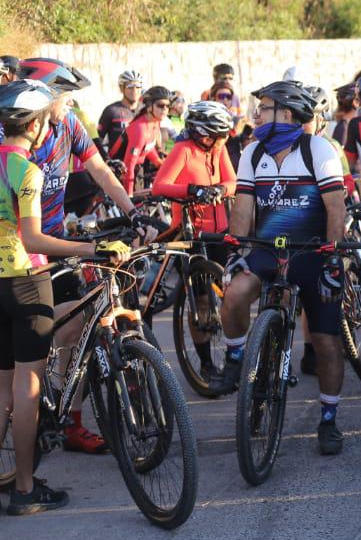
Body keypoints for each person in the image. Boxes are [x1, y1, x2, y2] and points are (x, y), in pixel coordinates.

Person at [0, 80, 129, 515]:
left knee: (1, 391)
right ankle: (23, 489)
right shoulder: (27, 171)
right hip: (25, 280)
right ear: (36, 126)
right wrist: (92, 250)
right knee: (27, 388)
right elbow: (35, 237)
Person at [209, 81, 351, 455]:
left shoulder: (318, 148)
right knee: (235, 293)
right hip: (267, 250)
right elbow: (243, 207)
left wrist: (333, 257)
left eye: (264, 107)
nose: (256, 114)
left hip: (312, 252)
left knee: (326, 341)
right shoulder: (252, 152)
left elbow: (336, 209)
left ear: (285, 114)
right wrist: (236, 249)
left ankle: (328, 418)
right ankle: (237, 357)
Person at [18, 58, 136, 454]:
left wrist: (132, 211)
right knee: (37, 337)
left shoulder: (67, 125)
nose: (70, 104)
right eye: (65, 96)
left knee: (81, 324)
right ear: (43, 95)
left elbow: (99, 169)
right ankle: (33, 405)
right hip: (25, 250)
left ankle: (70, 418)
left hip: (56, 242)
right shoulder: (16, 136)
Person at [151, 101, 236, 381]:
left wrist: (220, 188)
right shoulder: (183, 149)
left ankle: (236, 357)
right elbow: (160, 186)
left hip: (219, 231)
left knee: (230, 294)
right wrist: (194, 190)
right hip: (190, 232)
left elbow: (233, 181)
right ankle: (205, 363)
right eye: (215, 135)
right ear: (201, 132)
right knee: (199, 301)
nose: (219, 141)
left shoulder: (219, 147)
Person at [114, 86, 172, 194]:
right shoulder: (140, 129)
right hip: (121, 172)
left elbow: (147, 147)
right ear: (149, 107)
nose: (165, 109)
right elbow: (128, 166)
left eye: (168, 106)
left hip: (136, 170)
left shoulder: (155, 121)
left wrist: (158, 162)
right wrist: (129, 197)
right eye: (160, 105)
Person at [96, 69, 144, 154]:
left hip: (140, 164)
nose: (135, 91)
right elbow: (97, 141)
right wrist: (106, 160)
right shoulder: (111, 110)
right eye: (130, 87)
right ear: (121, 88)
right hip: (118, 164)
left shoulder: (145, 110)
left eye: (138, 87)